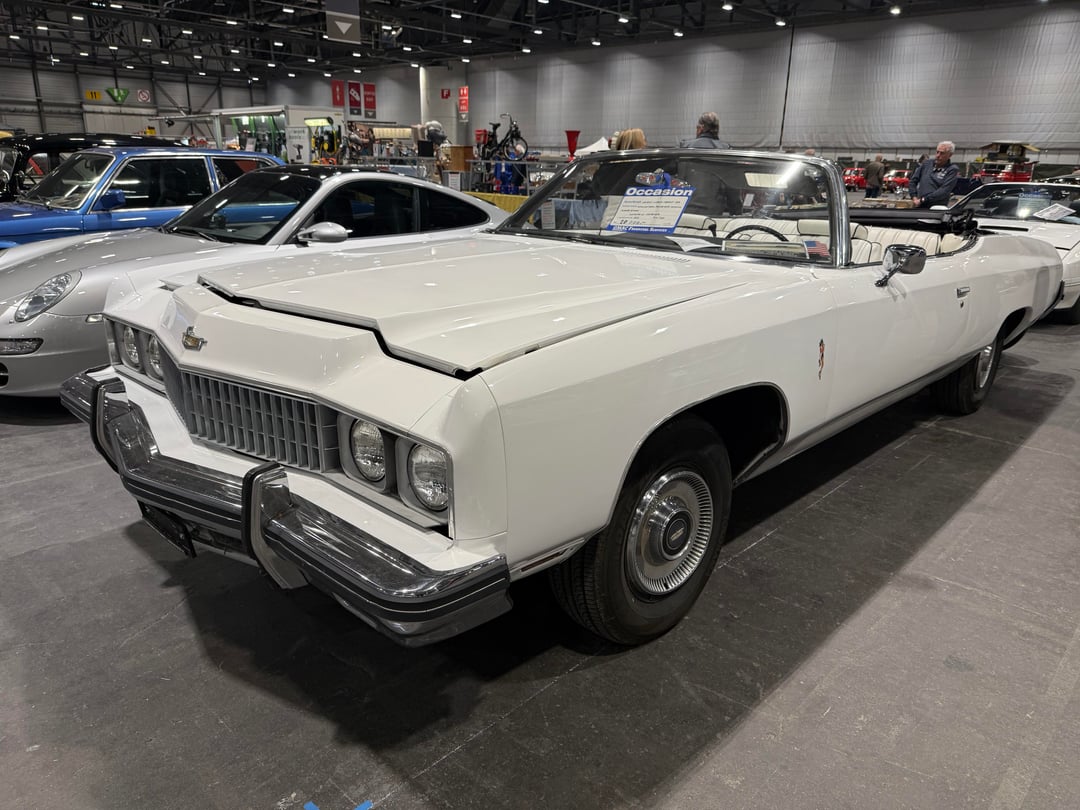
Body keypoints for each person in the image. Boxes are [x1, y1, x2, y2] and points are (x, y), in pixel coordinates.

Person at [909, 141, 959, 207]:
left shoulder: (952, 169)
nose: (938, 155)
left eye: (942, 153)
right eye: (937, 152)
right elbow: (913, 181)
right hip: (919, 205)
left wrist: (924, 199)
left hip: (937, 207)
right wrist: (914, 197)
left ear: (950, 155)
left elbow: (944, 191)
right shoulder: (926, 164)